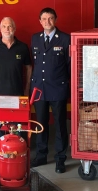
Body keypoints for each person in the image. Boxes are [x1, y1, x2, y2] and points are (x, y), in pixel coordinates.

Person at [30, 8, 70, 173]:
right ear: (40, 21)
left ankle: (60, 159)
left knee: (60, 124)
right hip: (39, 88)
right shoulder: (35, 38)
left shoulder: (65, 39)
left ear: (56, 19)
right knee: (40, 123)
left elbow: (69, 65)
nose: (47, 22)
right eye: (44, 19)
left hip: (58, 88)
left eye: (50, 18)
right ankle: (41, 155)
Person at [0, 17, 32, 138]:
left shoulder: (23, 47)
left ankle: (17, 152)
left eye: (10, 26)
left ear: (14, 28)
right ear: (0, 29)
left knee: (17, 127)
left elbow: (28, 68)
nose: (7, 29)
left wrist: (27, 89)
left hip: (17, 94)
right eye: (4, 26)